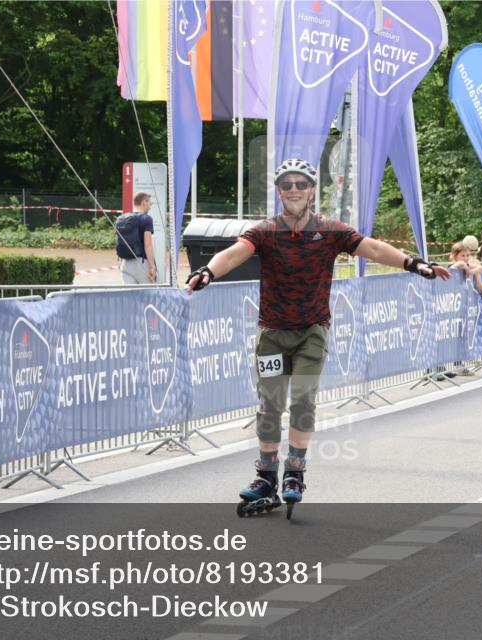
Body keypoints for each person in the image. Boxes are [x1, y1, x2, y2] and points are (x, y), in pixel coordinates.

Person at [185, 158, 451, 513]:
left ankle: (294, 471)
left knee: (303, 400)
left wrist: (413, 263)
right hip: (272, 335)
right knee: (270, 407)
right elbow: (235, 254)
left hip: (312, 332)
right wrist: (207, 272)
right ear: (279, 191)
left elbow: (371, 248)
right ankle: (266, 476)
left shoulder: (329, 230)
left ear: (311, 190)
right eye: (286, 185)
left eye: (300, 184)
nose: (293, 190)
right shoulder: (266, 230)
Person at [116, 192, 157, 284]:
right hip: (141, 264)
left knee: (129, 296)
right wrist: (152, 267)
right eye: (149, 203)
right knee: (147, 295)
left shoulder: (121, 218)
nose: (150, 207)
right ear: (144, 202)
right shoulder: (146, 219)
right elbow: (148, 245)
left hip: (125, 263)